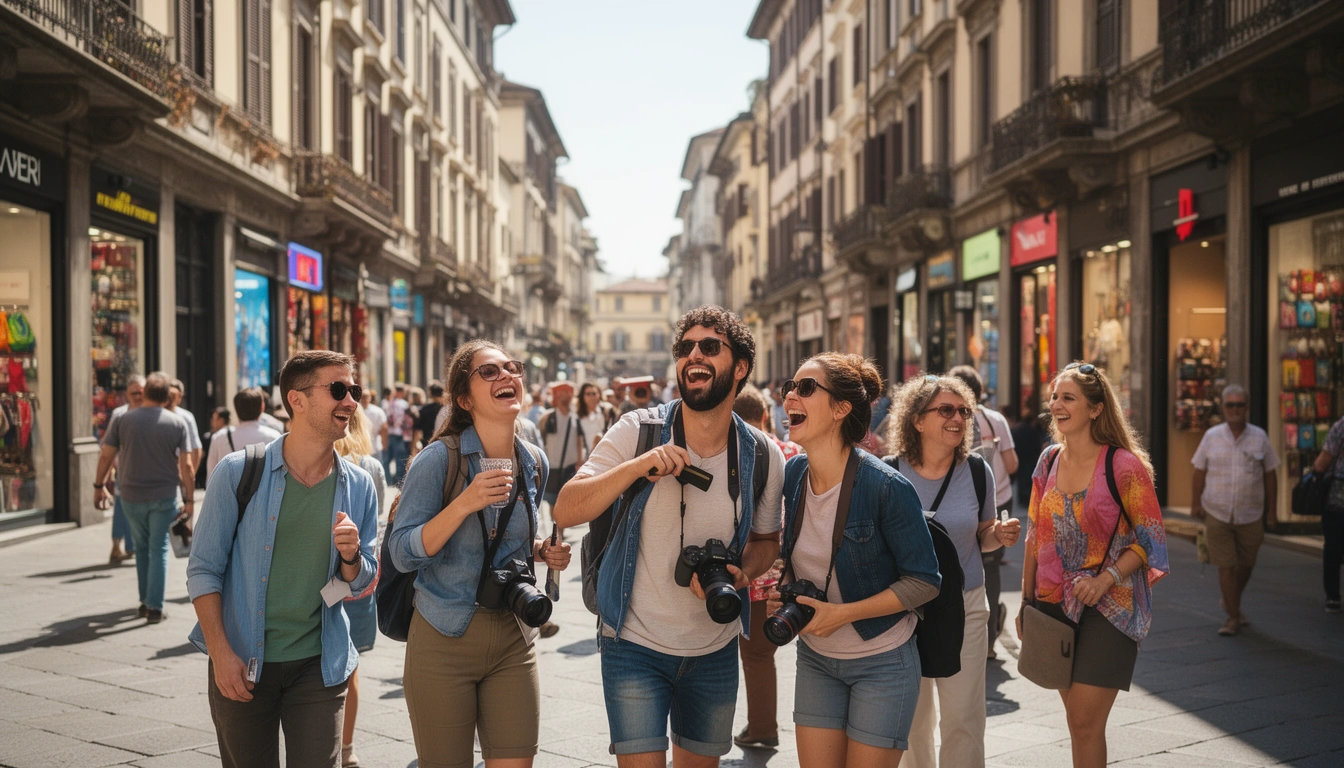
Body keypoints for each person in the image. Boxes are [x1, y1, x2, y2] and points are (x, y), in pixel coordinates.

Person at [553, 305, 786, 767]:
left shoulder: (762, 454)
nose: (694, 354)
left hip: (715, 646)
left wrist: (743, 574)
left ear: (740, 367)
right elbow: (565, 506)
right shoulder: (637, 431)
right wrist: (639, 466)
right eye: (685, 347)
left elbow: (766, 542)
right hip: (633, 644)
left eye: (710, 346)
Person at [187, 350, 380, 768]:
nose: (351, 401)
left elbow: (363, 579)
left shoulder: (359, 485)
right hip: (242, 659)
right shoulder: (238, 472)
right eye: (338, 390)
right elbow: (203, 569)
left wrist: (350, 557)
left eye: (355, 391)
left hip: (319, 663)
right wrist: (221, 654)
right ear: (297, 400)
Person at [387, 341, 572, 768]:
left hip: (514, 636)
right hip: (443, 636)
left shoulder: (534, 462)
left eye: (512, 368)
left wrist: (542, 551)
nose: (507, 376)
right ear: (464, 399)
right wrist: (464, 504)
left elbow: (513, 541)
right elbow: (401, 552)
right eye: (489, 372)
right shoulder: (437, 461)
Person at [774, 354, 943, 766]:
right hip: (815, 658)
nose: (791, 397)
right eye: (789, 388)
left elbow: (924, 580)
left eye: (806, 388)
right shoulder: (793, 474)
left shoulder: (885, 486)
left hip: (883, 662)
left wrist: (844, 614)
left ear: (840, 409)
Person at [1017, 362, 1169, 768]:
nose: (1057, 405)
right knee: (1077, 723)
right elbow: (1036, 535)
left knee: (1085, 720)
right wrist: (1026, 601)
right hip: (1052, 604)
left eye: (1068, 398)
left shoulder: (1123, 465)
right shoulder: (1047, 461)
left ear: (1096, 408)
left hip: (1111, 606)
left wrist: (1107, 579)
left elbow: (1151, 539)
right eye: (1054, 397)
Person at [885, 374, 1019, 768]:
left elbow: (982, 537)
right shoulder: (888, 473)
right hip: (903, 610)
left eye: (963, 410)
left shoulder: (978, 471)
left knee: (963, 718)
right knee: (913, 722)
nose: (957, 417)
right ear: (917, 420)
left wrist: (999, 533)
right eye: (946, 409)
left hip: (965, 606)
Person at [94, 373, 195, 623]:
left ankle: (144, 601)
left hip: (130, 494)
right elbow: (188, 466)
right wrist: (190, 498)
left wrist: (98, 485)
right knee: (158, 547)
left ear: (146, 393)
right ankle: (154, 606)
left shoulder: (123, 419)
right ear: (166, 396)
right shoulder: (176, 422)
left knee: (141, 547)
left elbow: (106, 456)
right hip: (163, 495)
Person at [728, 384, 796, 750]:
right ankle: (761, 725)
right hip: (791, 568)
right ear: (765, 415)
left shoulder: (739, 452)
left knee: (754, 654)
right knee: (763, 653)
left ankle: (762, 728)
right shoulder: (792, 450)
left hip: (752, 571)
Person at [1190, 384, 1278, 635]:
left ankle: (1232, 602)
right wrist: (1195, 503)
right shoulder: (1211, 436)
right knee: (1226, 565)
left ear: (1247, 408)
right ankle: (1232, 617)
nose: (1235, 410)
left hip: (1251, 513)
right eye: (1230, 405)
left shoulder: (1260, 437)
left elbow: (1271, 474)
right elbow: (1199, 470)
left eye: (1240, 405)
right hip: (1216, 511)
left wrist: (1272, 512)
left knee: (1246, 564)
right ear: (1223, 408)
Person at [949, 365, 1020, 657]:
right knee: (989, 567)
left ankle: (962, 631)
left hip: (958, 501)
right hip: (999, 499)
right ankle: (988, 641)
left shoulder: (947, 419)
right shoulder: (995, 420)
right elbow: (1013, 464)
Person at [332, 405, 387, 768]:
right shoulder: (372, 468)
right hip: (356, 581)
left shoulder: (312, 461)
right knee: (349, 670)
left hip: (321, 584)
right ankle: (346, 749)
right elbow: (375, 524)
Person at [105, 374, 146, 563]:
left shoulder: (152, 412)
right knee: (121, 508)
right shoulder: (120, 414)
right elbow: (108, 446)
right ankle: (117, 545)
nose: (138, 395)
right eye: (134, 392)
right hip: (124, 471)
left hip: (148, 473)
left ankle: (132, 546)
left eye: (141, 391)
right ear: (127, 394)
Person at [205, 388, 282, 479]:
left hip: (229, 491)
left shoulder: (219, 437)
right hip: (264, 492)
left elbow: (211, 475)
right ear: (262, 407)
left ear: (236, 408)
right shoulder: (274, 437)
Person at [1311, 409, 1344, 613]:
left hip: (1338, 498)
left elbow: (1322, 463)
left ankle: (1333, 596)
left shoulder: (1340, 427)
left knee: (1333, 545)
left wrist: (1315, 473)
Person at [539, 381, 583, 509]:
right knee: (552, 501)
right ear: (556, 397)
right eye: (562, 394)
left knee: (566, 502)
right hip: (552, 466)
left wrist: (580, 462)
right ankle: (556, 528)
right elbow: (541, 439)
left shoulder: (575, 418)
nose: (566, 397)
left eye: (568, 394)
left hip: (569, 467)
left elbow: (579, 440)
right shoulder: (547, 417)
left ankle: (560, 528)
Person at [168, 377, 204, 483]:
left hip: (178, 476)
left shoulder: (186, 417)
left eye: (174, 395)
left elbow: (196, 449)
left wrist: (187, 478)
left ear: (180, 397)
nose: (171, 399)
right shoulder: (155, 415)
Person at [1010, 404, 1046, 507]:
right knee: (1027, 478)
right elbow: (1035, 444)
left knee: (1022, 479)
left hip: (1020, 456)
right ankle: (1026, 499)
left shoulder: (1018, 427)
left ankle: (1022, 498)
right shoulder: (1030, 429)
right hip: (1029, 457)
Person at [577, 381, 617, 455]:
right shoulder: (578, 416)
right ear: (583, 396)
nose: (592, 397)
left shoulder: (606, 412)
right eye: (588, 394)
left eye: (594, 394)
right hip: (586, 456)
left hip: (605, 453)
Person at [411, 383, 447, 458]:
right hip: (445, 444)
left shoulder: (425, 409)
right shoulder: (446, 409)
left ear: (431, 394)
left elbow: (417, 430)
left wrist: (413, 447)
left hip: (428, 443)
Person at [384, 383, 410, 484]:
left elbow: (388, 417)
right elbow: (406, 420)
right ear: (401, 392)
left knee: (388, 457)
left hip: (390, 432)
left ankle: (387, 478)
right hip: (400, 433)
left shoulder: (390, 403)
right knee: (400, 458)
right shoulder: (404, 404)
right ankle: (399, 480)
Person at [361, 389, 389, 469]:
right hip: (360, 449)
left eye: (366, 397)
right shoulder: (355, 410)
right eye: (362, 397)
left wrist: (384, 446)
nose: (364, 399)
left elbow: (384, 429)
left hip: (374, 448)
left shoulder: (378, 411)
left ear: (370, 398)